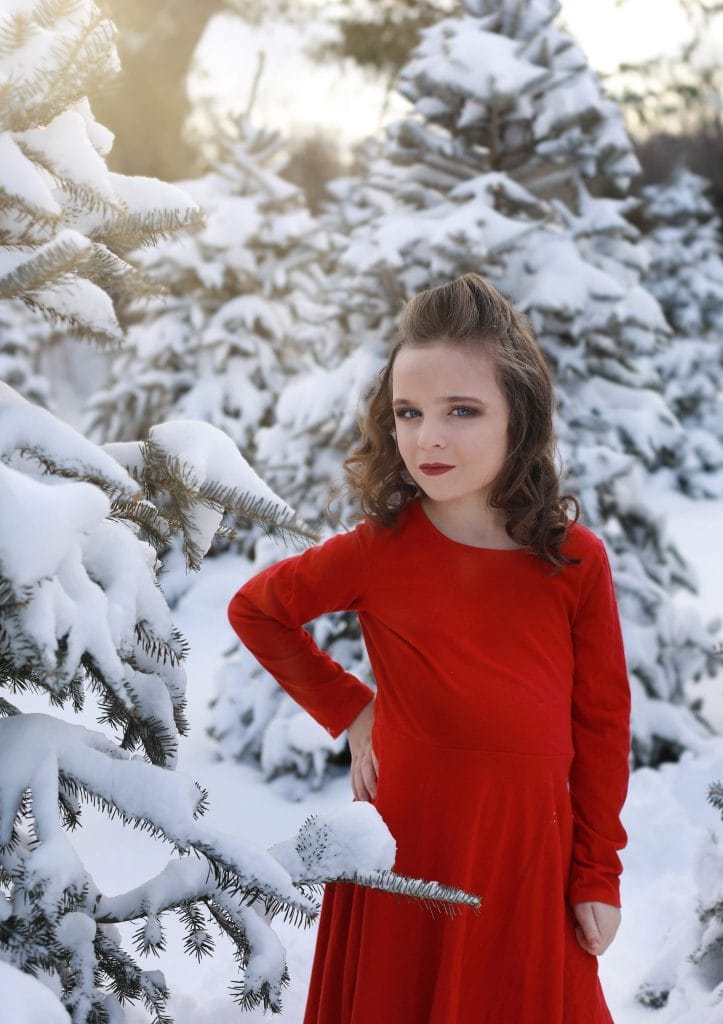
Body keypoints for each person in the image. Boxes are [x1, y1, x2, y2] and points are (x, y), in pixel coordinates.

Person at [227, 272, 632, 1024]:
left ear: (521, 418)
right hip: (408, 850)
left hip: (525, 859)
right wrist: (351, 711)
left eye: (462, 411)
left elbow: (602, 726)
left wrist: (595, 874)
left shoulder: (572, 560)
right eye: (408, 412)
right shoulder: (379, 551)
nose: (428, 438)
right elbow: (257, 611)